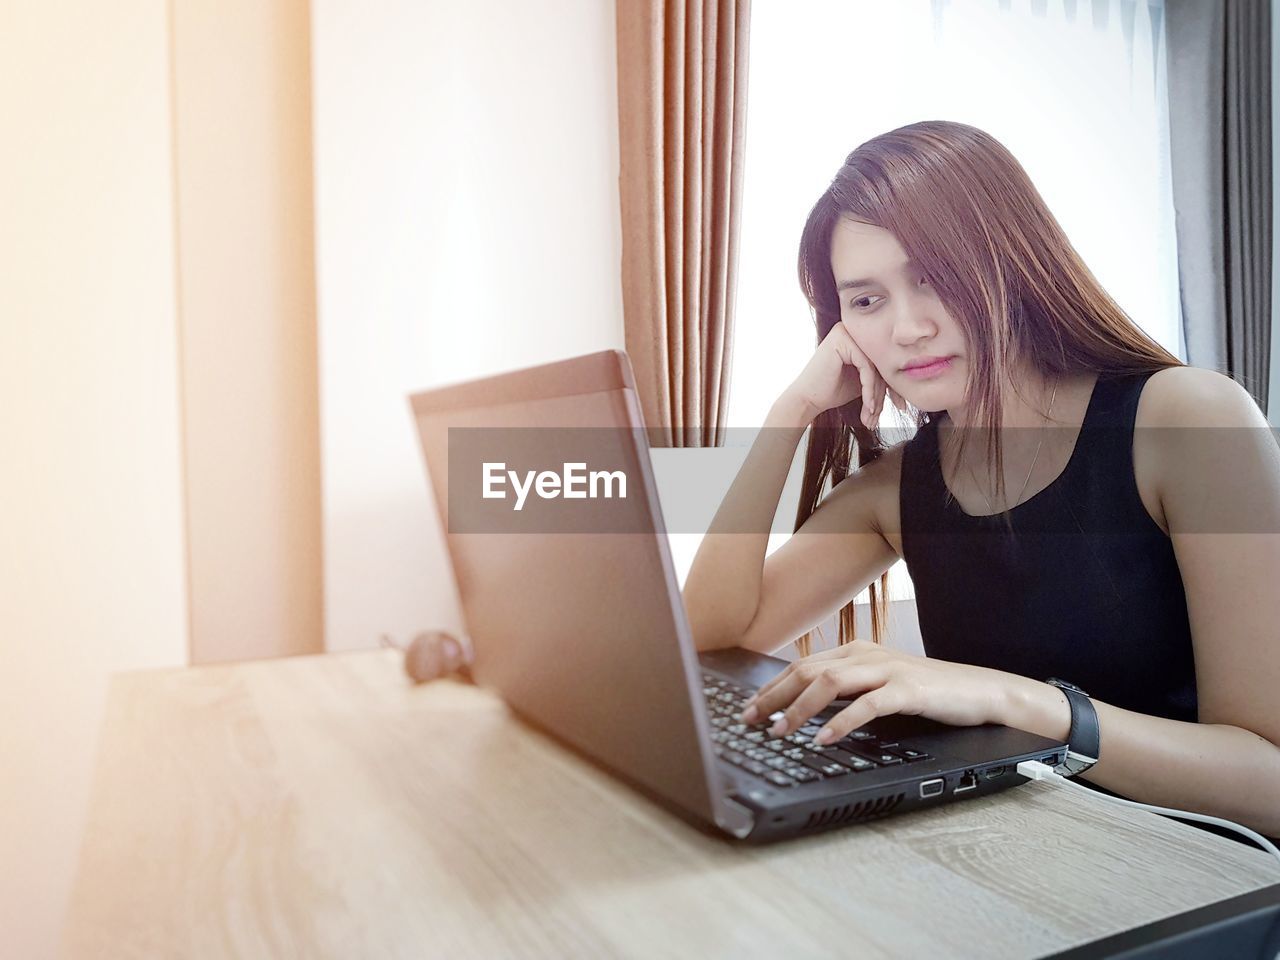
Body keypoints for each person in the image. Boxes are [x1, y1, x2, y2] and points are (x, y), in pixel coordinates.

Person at [411, 121, 1280, 839]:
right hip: (1011, 856)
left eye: (934, 278)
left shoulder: (1188, 420)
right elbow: (716, 633)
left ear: (1012, 261)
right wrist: (789, 412)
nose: (907, 327)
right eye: (865, 301)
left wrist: (1031, 706)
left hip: (1198, 875)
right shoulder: (899, 489)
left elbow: (1268, 775)